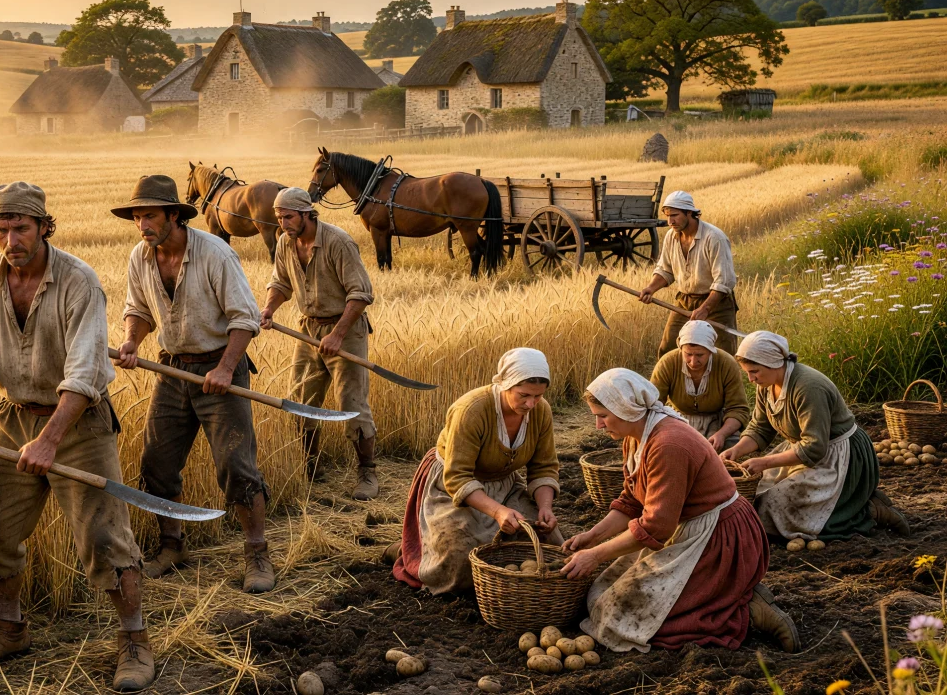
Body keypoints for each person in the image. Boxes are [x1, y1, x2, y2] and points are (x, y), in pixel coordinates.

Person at [0, 182, 153, 689]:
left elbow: (86, 370)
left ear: (45, 226)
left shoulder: (77, 281)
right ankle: (10, 631)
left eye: (20, 227)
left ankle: (134, 640)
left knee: (104, 539)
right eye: (1, 229)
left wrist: (50, 439)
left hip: (78, 422)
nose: (10, 238)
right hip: (15, 417)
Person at [111, 175, 276, 593]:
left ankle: (257, 553)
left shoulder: (214, 253)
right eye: (136, 217)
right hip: (172, 371)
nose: (142, 224)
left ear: (173, 215)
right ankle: (172, 545)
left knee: (237, 467)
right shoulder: (140, 257)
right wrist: (131, 340)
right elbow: (139, 309)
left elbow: (244, 317)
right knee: (156, 464)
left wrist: (224, 369)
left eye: (149, 215)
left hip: (219, 367)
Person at [564, 369, 798, 653]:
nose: (599, 425)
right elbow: (633, 501)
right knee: (603, 596)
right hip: (681, 526)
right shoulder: (635, 434)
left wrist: (596, 555)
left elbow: (654, 529)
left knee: (637, 622)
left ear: (625, 409)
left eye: (603, 415)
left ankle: (747, 611)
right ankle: (727, 594)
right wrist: (592, 536)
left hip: (718, 536)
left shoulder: (668, 444)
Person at [387, 348, 561, 594]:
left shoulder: (540, 411)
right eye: (524, 395)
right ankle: (410, 551)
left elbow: (543, 466)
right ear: (505, 384)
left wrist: (545, 507)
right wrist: (498, 512)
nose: (531, 403)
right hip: (453, 487)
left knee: (543, 542)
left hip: (504, 484)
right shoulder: (472, 409)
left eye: (538, 396)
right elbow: (457, 477)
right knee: (460, 559)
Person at [720, 331, 911, 541]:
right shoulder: (765, 385)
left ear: (773, 363)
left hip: (837, 454)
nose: (751, 378)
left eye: (754, 371)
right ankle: (851, 500)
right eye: (747, 372)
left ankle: (869, 510)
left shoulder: (807, 388)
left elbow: (814, 447)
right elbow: (760, 428)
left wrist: (765, 462)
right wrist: (736, 450)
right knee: (756, 497)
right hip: (799, 450)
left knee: (775, 506)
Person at [260, 187, 379, 500]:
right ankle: (312, 470)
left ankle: (367, 473)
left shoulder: (338, 242)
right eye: (278, 217)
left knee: (352, 405)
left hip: (345, 331)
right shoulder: (285, 243)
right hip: (308, 330)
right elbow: (281, 283)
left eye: (288, 216)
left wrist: (337, 334)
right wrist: (269, 308)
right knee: (300, 402)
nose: (283, 222)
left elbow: (361, 293)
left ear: (306, 214)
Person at [638, 190, 739, 355]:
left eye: (675, 215)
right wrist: (651, 288)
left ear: (690, 213)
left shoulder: (714, 238)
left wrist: (706, 308)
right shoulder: (672, 236)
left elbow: (724, 281)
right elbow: (666, 269)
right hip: (684, 301)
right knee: (668, 349)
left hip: (716, 303)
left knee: (721, 354)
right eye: (668, 216)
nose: (670, 221)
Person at [648, 320, 751, 451]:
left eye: (700, 355)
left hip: (717, 422)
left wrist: (722, 434)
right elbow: (654, 405)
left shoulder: (726, 364)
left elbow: (738, 409)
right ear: (680, 348)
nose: (693, 361)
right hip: (678, 421)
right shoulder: (668, 363)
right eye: (688, 354)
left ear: (711, 350)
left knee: (730, 448)